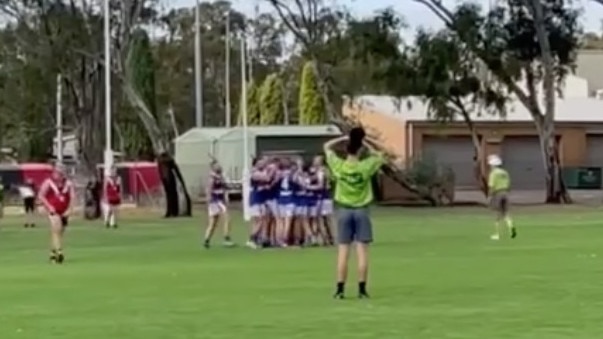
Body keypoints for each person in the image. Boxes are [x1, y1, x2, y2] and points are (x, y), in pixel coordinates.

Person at [324, 127, 384, 299]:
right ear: (360, 150)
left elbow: (326, 146)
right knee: (362, 252)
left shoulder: (339, 166)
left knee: (343, 252)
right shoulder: (365, 166)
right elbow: (380, 155)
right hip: (362, 210)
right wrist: (365, 143)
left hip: (344, 210)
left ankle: (340, 289)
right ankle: (362, 289)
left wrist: (342, 138)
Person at [38, 164, 75, 264]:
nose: (58, 175)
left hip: (64, 210)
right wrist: (49, 206)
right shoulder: (48, 182)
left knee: (59, 232)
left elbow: (72, 197)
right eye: (57, 172)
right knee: (56, 228)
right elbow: (41, 195)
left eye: (60, 173)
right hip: (53, 210)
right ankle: (60, 252)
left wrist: (70, 210)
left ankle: (52, 253)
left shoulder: (68, 184)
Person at [203, 161, 234, 248]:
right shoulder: (212, 178)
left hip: (220, 201)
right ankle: (221, 239)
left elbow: (224, 188)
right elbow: (208, 189)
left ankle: (210, 239)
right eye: (217, 165)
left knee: (226, 218)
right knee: (214, 222)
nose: (219, 166)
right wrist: (209, 200)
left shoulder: (220, 177)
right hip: (215, 201)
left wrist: (226, 196)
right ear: (213, 167)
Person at [487, 154, 516, 240]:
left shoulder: (493, 173)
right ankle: (511, 229)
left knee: (497, 214)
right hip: (506, 193)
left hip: (498, 193)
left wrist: (489, 196)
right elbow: (509, 184)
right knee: (506, 213)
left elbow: (491, 186)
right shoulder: (505, 173)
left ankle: (497, 234)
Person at [313, 155, 334, 246]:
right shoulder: (318, 171)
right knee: (323, 218)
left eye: (316, 160)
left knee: (324, 218)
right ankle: (327, 238)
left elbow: (321, 185)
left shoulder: (322, 171)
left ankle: (328, 238)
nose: (314, 162)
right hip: (321, 197)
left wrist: (308, 187)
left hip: (323, 197)